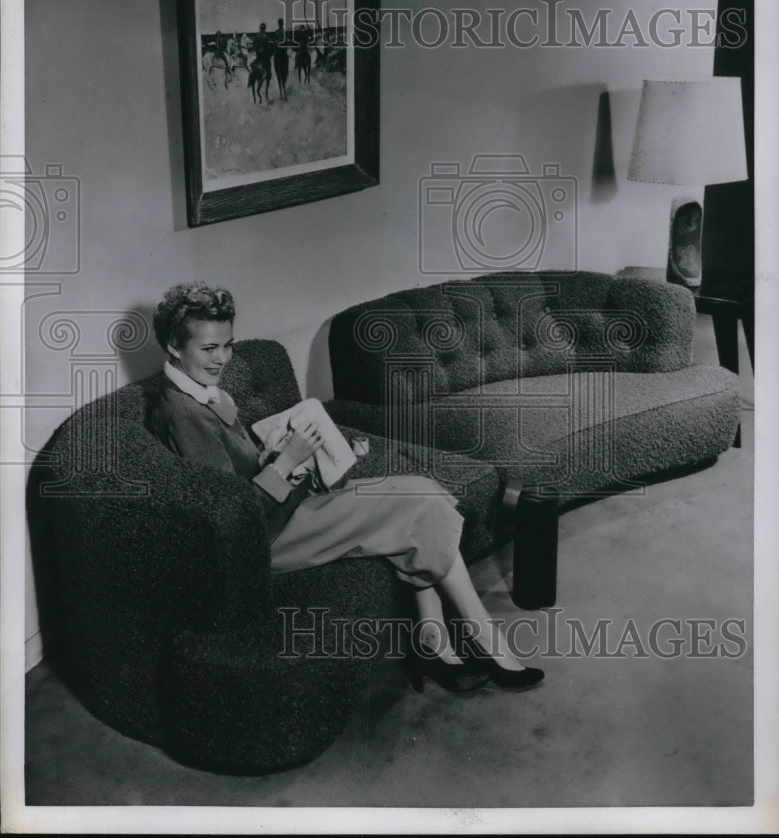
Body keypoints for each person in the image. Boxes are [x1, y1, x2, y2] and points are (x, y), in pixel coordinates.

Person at [148, 282, 544, 694]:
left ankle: (434, 640)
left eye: (227, 345)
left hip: (283, 513)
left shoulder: (199, 392)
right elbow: (229, 515)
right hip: (265, 540)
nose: (223, 359)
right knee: (420, 501)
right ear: (174, 347)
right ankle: (482, 640)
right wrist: (287, 461)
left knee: (422, 490)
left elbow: (232, 476)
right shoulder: (183, 411)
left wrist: (278, 455)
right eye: (209, 349)